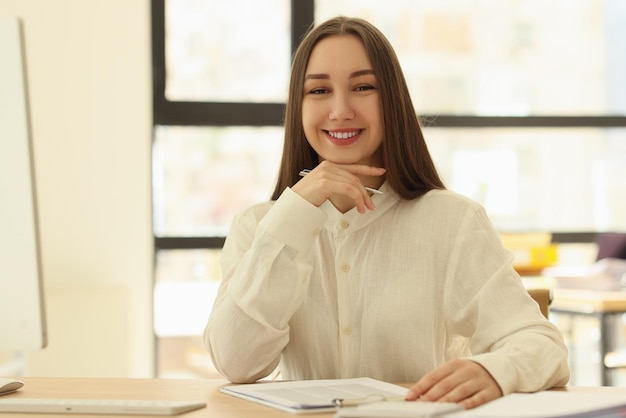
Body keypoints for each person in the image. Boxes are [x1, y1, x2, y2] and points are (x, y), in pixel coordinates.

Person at [204, 16, 569, 409]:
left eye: (363, 87)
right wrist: (295, 213)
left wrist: (495, 371)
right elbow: (236, 363)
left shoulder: (452, 221)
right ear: (299, 106)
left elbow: (543, 346)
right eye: (319, 90)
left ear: (391, 99)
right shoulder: (259, 226)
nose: (340, 110)